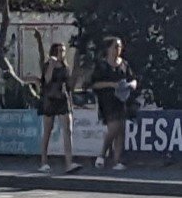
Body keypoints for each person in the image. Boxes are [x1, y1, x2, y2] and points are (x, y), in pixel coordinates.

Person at [90, 37, 137, 171]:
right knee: (114, 127)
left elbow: (132, 79)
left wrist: (131, 85)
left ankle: (117, 161)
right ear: (108, 48)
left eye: (120, 47)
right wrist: (112, 84)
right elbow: (95, 84)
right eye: (115, 47)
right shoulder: (102, 65)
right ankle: (102, 154)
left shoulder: (124, 64)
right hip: (107, 101)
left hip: (121, 99)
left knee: (121, 129)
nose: (118, 50)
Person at [38, 43, 81, 174]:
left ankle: (69, 162)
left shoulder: (65, 66)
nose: (62, 53)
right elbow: (47, 79)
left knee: (67, 130)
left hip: (62, 98)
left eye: (63, 51)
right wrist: (51, 64)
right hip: (50, 98)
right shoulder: (48, 64)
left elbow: (68, 84)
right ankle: (44, 161)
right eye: (59, 51)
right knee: (48, 130)